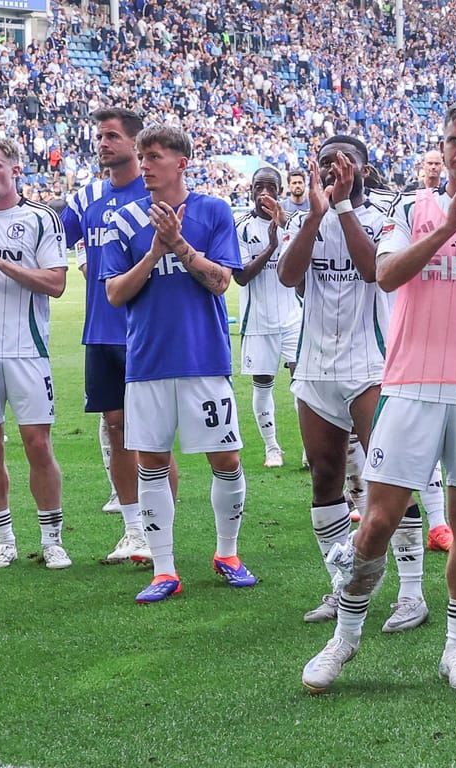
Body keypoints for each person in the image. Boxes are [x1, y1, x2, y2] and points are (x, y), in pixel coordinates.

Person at [301, 103, 456, 693]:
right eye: (454, 141)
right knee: (377, 521)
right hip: (408, 383)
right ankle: (344, 641)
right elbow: (388, 274)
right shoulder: (410, 207)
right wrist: (451, 223)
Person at [278, 135, 429, 633]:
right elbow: (287, 277)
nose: (333, 168)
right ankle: (342, 584)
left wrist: (341, 206)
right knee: (324, 478)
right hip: (315, 366)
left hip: (371, 365)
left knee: (390, 480)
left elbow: (371, 271)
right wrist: (318, 213)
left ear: (364, 167)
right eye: (324, 162)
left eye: (344, 162)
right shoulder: (305, 216)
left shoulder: (385, 215)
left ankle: (411, 594)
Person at [102, 125, 256, 603]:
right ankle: (164, 569)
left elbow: (220, 282)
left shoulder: (213, 211)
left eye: (153, 156)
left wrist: (181, 246)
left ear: (181, 162)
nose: (143, 165)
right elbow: (113, 293)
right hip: (146, 362)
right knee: (150, 462)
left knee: (225, 459)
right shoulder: (125, 221)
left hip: (204, 359)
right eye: (142, 157)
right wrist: (153, 252)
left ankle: (227, 553)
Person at [61, 106, 153, 564]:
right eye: (100, 136)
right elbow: (53, 232)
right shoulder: (92, 204)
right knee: (116, 430)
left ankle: (161, 531)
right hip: (99, 331)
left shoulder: (154, 196)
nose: (102, 143)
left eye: (112, 136)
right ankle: (134, 532)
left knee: (151, 436)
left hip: (142, 331)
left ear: (134, 145)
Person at [0, 137, 70, 571]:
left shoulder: (39, 219)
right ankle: (3, 539)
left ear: (15, 170)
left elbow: (55, 283)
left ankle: (52, 539)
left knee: (36, 443)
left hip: (26, 349)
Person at [233, 166, 300, 469]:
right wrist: (272, 246)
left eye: (270, 188)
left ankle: (309, 448)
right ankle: (272, 448)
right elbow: (242, 276)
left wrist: (282, 234)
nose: (264, 194)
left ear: (279, 191)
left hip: (293, 317)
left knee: (303, 382)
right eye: (258, 188)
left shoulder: (293, 224)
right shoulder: (242, 227)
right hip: (258, 320)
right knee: (264, 383)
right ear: (250, 190)